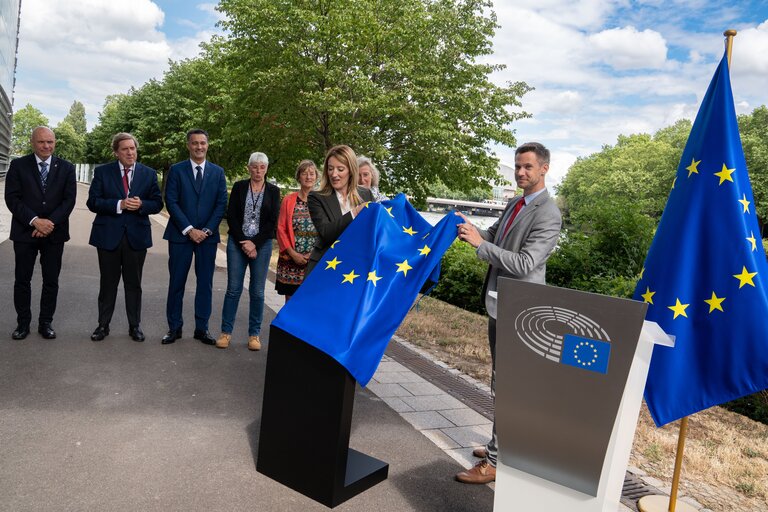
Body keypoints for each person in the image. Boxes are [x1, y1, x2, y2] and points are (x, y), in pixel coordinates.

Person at [454, 142, 562, 484]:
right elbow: (494, 236)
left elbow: (526, 263)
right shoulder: (515, 202)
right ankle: (501, 446)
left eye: (527, 167)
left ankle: (498, 461)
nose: (520, 173)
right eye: (517, 166)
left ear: (544, 168)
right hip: (501, 304)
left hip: (521, 310)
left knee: (509, 384)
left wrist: (480, 245)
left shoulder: (549, 213)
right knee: (502, 379)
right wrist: (470, 231)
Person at [86, 133, 163, 342]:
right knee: (108, 283)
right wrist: (119, 204)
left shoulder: (148, 174)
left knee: (134, 284)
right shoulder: (103, 172)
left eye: (133, 148)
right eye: (125, 149)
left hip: (136, 237)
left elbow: (157, 203)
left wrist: (142, 205)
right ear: (116, 152)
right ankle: (103, 325)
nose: (130, 152)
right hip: (108, 235)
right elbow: (92, 202)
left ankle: (134, 326)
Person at [4, 126, 76, 340]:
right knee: (22, 280)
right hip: (25, 232)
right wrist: (35, 221)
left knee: (51, 280)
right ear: (32, 142)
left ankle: (46, 323)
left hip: (54, 233)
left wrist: (49, 223)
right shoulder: (18, 166)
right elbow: (12, 198)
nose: (46, 146)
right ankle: (23, 324)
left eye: (50, 142)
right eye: (41, 142)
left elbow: (69, 200)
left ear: (55, 143)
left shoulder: (66, 168)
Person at [162, 129, 227, 345]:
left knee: (205, 284)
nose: (199, 147)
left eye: (203, 143)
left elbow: (220, 204)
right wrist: (190, 229)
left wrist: (206, 230)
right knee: (176, 283)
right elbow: (171, 201)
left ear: (208, 145)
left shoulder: (218, 172)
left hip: (207, 239)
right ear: (188, 145)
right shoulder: (177, 170)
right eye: (194, 143)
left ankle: (202, 328)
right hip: (181, 236)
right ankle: (174, 328)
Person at [216, 152, 280, 350]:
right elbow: (232, 215)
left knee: (258, 292)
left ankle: (254, 335)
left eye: (262, 167)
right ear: (248, 168)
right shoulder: (239, 187)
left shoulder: (273, 191)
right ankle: (226, 332)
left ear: (266, 169)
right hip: (237, 242)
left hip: (262, 245)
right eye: (254, 166)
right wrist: (244, 242)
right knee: (233, 289)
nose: (258, 170)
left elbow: (272, 222)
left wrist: (255, 244)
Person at [307, 145, 374, 276]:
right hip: (326, 267)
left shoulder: (366, 194)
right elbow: (326, 232)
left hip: (356, 269)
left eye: (340, 169)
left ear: (351, 170)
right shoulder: (316, 197)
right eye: (330, 169)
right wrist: (354, 213)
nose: (334, 174)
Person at [275, 160, 319, 301]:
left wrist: (312, 254)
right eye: (304, 173)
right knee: (290, 301)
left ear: (316, 177)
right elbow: (281, 228)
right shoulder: (288, 200)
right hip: (291, 260)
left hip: (314, 260)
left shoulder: (322, 200)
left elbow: (326, 230)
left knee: (310, 301)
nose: (308, 177)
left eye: (312, 174)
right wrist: (293, 253)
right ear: (298, 177)